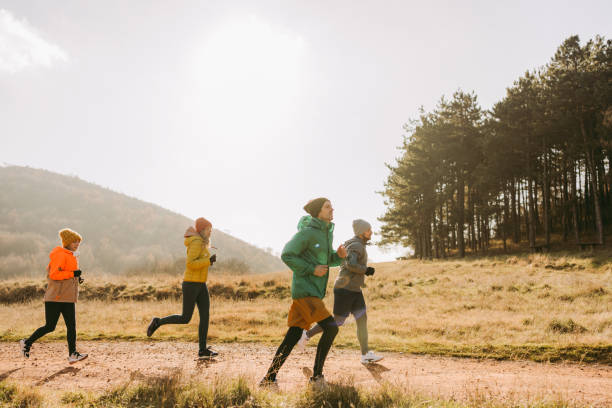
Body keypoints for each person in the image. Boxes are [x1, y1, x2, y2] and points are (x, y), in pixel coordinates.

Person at [260, 197, 347, 388]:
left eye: (331, 206)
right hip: (306, 291)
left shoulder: (325, 234)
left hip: (312, 292)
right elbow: (287, 254)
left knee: (292, 336)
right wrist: (311, 269)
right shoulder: (307, 233)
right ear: (318, 212)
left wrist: (337, 257)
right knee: (331, 327)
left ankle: (268, 379)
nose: (332, 209)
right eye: (327, 206)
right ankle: (317, 378)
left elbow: (325, 260)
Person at [299, 219, 383, 364]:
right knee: (338, 321)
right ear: (362, 232)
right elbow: (350, 264)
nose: (371, 232)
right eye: (368, 230)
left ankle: (365, 354)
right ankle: (306, 334)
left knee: (362, 320)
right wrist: (366, 270)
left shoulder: (357, 244)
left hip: (354, 290)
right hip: (345, 289)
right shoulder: (356, 245)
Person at [147, 217, 218, 359]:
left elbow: (199, 263)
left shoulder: (202, 243)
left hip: (200, 283)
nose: (210, 233)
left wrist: (208, 262)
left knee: (205, 316)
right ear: (202, 230)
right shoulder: (196, 242)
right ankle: (157, 322)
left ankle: (202, 350)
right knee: (185, 318)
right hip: (191, 284)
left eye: (211, 230)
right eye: (208, 230)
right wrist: (208, 261)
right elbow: (191, 263)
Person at [20, 228, 88, 363]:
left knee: (72, 326)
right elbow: (54, 275)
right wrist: (72, 274)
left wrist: (76, 278)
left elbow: (67, 273)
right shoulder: (60, 254)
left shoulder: (71, 255)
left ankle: (72, 354)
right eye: (74, 241)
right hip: (56, 298)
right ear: (67, 242)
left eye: (78, 242)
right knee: (50, 326)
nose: (77, 244)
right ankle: (27, 342)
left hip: (67, 297)